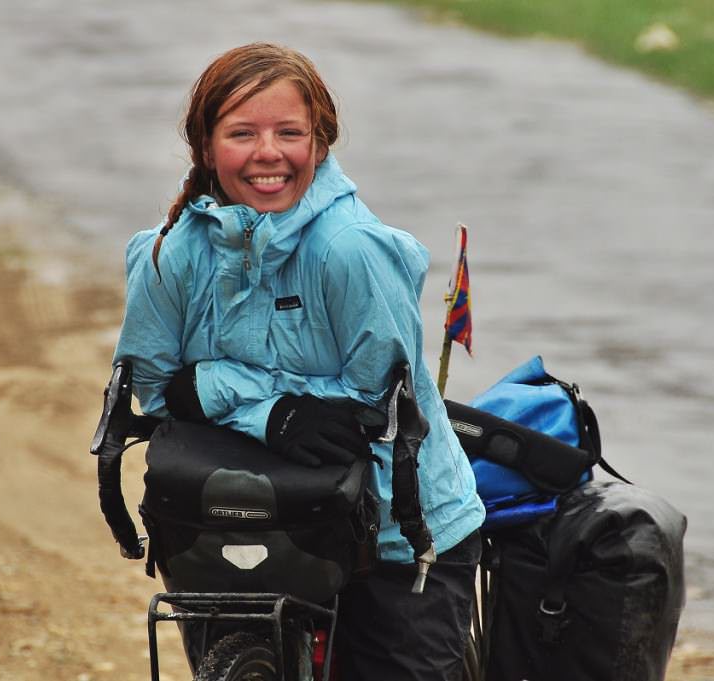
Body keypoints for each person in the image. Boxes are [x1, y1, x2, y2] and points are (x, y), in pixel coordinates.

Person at [112, 42, 485, 680]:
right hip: (238, 518)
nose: (268, 153)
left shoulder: (351, 251)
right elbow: (151, 380)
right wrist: (274, 412)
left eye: (290, 132)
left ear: (321, 142)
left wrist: (216, 385)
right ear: (205, 147)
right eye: (241, 133)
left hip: (396, 533)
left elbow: (374, 400)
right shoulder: (167, 255)